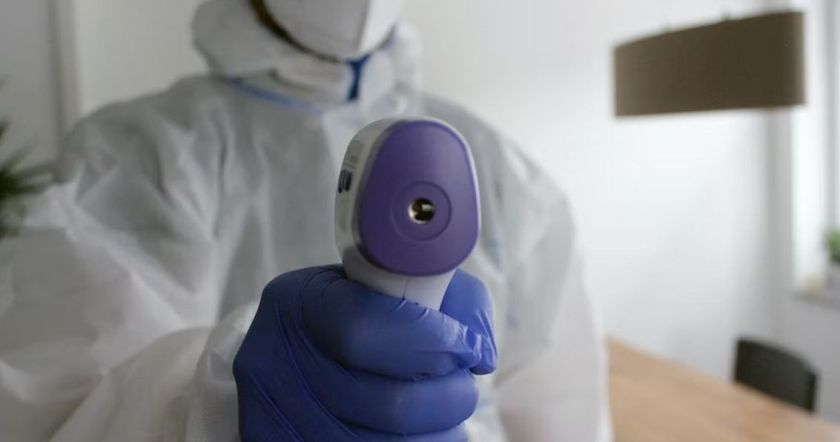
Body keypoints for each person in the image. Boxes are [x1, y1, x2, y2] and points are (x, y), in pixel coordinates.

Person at [0, 0, 611, 440]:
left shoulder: (501, 171)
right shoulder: (131, 157)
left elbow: (565, 416)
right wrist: (220, 408)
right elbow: (52, 412)